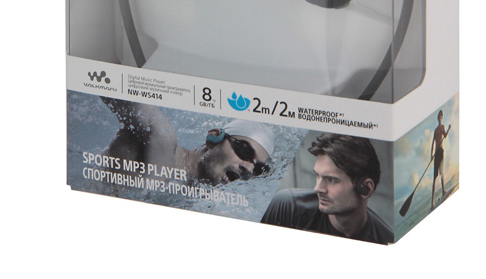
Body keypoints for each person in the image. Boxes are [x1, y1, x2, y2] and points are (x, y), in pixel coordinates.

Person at [103, 98, 274, 185]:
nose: (248, 169)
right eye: (244, 151)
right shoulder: (159, 139)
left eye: (258, 169)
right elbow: (111, 81)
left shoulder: (202, 202)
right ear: (214, 139)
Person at [261, 133, 393, 244]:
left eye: (331, 180)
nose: (318, 188)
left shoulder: (385, 240)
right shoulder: (289, 208)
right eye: (317, 176)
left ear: (366, 188)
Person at [430, 109, 451, 209]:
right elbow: (432, 143)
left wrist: (449, 129)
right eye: (438, 116)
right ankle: (432, 202)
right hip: (436, 153)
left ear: (442, 117)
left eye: (440, 116)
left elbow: (445, 136)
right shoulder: (435, 130)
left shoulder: (442, 127)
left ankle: (443, 190)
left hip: (441, 151)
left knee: (442, 172)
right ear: (437, 117)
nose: (439, 117)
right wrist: (431, 155)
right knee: (434, 178)